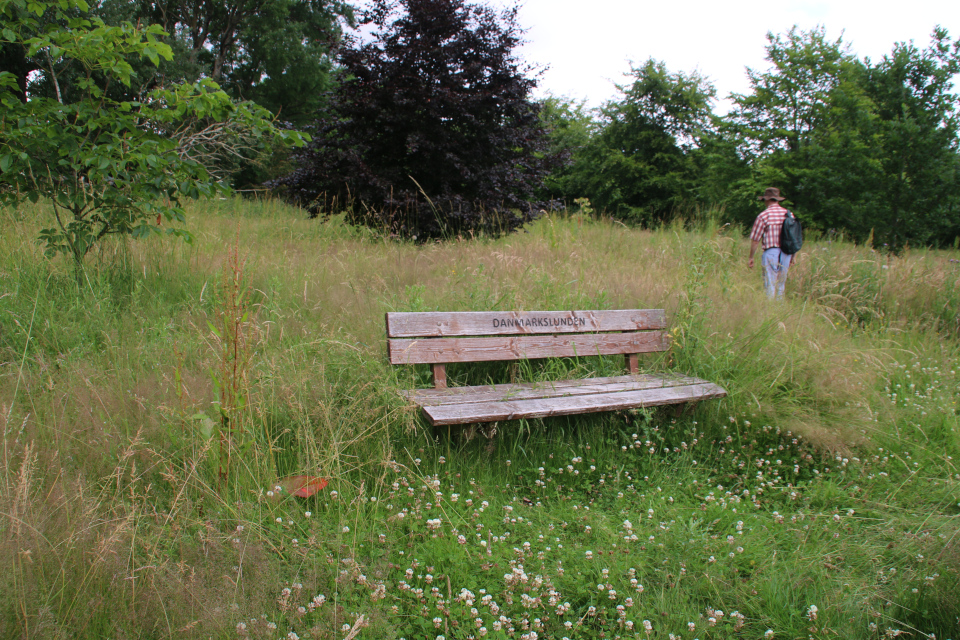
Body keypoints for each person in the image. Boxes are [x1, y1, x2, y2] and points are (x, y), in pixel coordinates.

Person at [748, 187, 792, 299]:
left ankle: (769, 308)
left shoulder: (764, 215)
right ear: (777, 199)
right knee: (781, 284)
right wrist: (794, 256)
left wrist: (751, 257)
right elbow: (793, 236)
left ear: (767, 200)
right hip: (787, 252)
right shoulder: (789, 214)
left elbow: (755, 240)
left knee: (770, 283)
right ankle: (779, 309)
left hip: (771, 251)